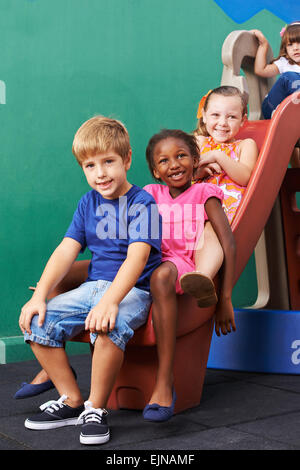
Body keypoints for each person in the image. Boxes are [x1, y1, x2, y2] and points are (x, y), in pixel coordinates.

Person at [18, 116, 162, 445]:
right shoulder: (88, 203)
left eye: (108, 162)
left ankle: (95, 408)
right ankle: (71, 400)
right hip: (90, 289)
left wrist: (110, 300)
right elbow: (65, 251)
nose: (100, 173)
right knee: (35, 322)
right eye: (90, 165)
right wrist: (39, 296)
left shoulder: (143, 204)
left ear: (126, 159)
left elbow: (137, 258)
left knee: (106, 325)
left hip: (132, 291)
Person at [142, 128, 237, 422]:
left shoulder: (204, 193)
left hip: (183, 264)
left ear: (195, 160)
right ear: (155, 171)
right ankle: (52, 369)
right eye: (164, 160)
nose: (174, 164)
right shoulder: (149, 193)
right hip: (149, 261)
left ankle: (164, 381)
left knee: (161, 276)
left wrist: (225, 299)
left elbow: (228, 243)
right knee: (75, 271)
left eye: (182, 156)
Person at [251, 23, 300, 167]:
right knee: (291, 76)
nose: (295, 48)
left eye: (299, 43)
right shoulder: (285, 63)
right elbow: (261, 70)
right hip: (273, 106)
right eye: (290, 45)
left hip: (292, 116)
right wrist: (263, 45)